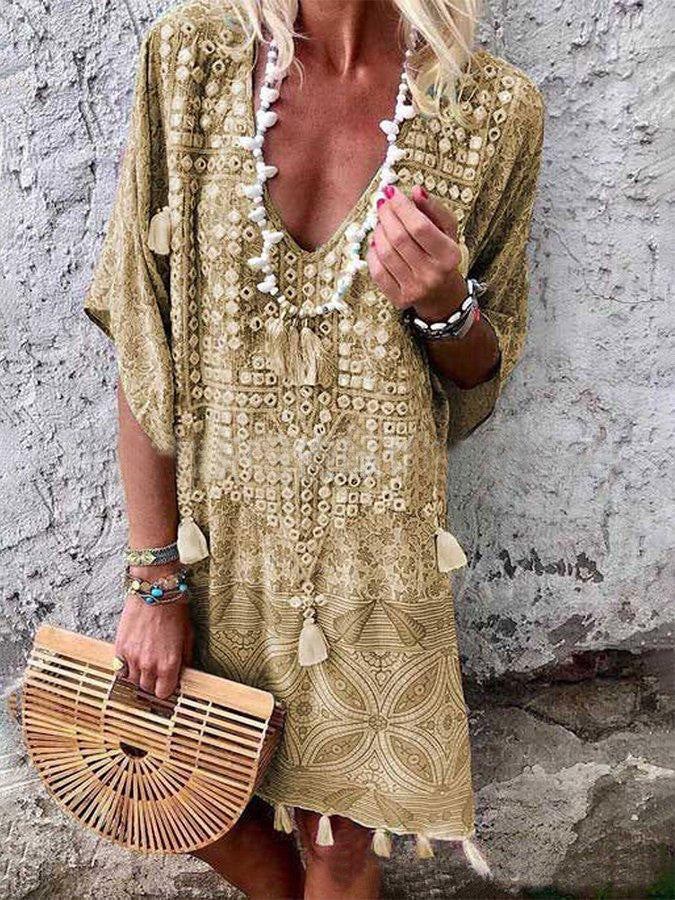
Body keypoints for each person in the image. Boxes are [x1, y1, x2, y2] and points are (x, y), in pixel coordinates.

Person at [83, 0, 544, 896]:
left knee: (339, 848)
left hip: (374, 562)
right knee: (188, 787)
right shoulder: (191, 62)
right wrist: (153, 579)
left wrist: (443, 301)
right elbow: (144, 337)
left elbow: (478, 377)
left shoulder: (489, 110)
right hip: (214, 551)